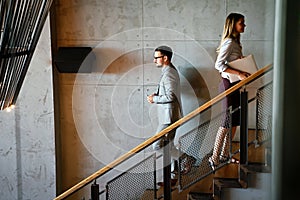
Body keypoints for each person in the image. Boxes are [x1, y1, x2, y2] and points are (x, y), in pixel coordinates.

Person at [209, 13, 250, 170]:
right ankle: (214, 157)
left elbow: (230, 62)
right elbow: (218, 64)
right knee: (226, 121)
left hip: (235, 85)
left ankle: (225, 155)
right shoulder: (229, 42)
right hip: (228, 84)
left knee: (235, 121)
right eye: (241, 23)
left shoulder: (236, 43)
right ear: (233, 25)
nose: (244, 26)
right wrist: (239, 73)